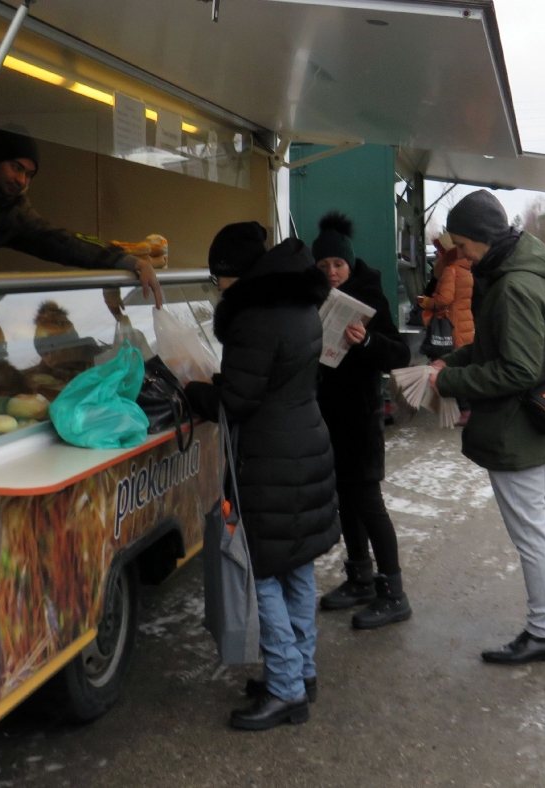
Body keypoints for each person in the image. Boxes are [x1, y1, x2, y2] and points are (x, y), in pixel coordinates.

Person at [428, 190, 545, 666]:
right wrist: (451, 361)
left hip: (515, 427)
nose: (461, 256)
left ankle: (544, 631)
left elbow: (516, 369)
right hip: (534, 419)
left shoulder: (512, 286)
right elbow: (494, 345)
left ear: (483, 237)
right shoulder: (520, 272)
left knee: (531, 531)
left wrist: (447, 381)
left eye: (463, 245)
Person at [183, 222, 339, 730]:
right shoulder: (298, 303)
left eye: (218, 277)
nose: (218, 286)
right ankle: (301, 672)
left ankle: (286, 689)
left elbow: (238, 401)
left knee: (264, 573)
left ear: (235, 273)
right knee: (296, 568)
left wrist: (194, 391)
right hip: (304, 445)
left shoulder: (253, 317)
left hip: (269, 458)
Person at [312, 212, 413, 629]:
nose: (332, 272)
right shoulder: (313, 297)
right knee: (345, 498)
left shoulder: (369, 294)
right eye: (324, 265)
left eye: (338, 264)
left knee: (368, 501)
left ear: (350, 263)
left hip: (360, 416)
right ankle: (360, 578)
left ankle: (394, 593)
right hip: (326, 415)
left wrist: (367, 340)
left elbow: (399, 354)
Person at [0, 127, 162, 307]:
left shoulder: (13, 212)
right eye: (16, 167)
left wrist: (130, 262)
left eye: (29, 175)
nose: (21, 180)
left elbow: (62, 242)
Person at [419, 234, 474, 425]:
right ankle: (466, 408)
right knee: (461, 367)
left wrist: (426, 302)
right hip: (464, 324)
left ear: (447, 252)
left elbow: (445, 300)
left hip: (451, 326)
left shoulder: (450, 270)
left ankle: (465, 410)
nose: (436, 254)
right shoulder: (465, 269)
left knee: (451, 368)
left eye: (439, 250)